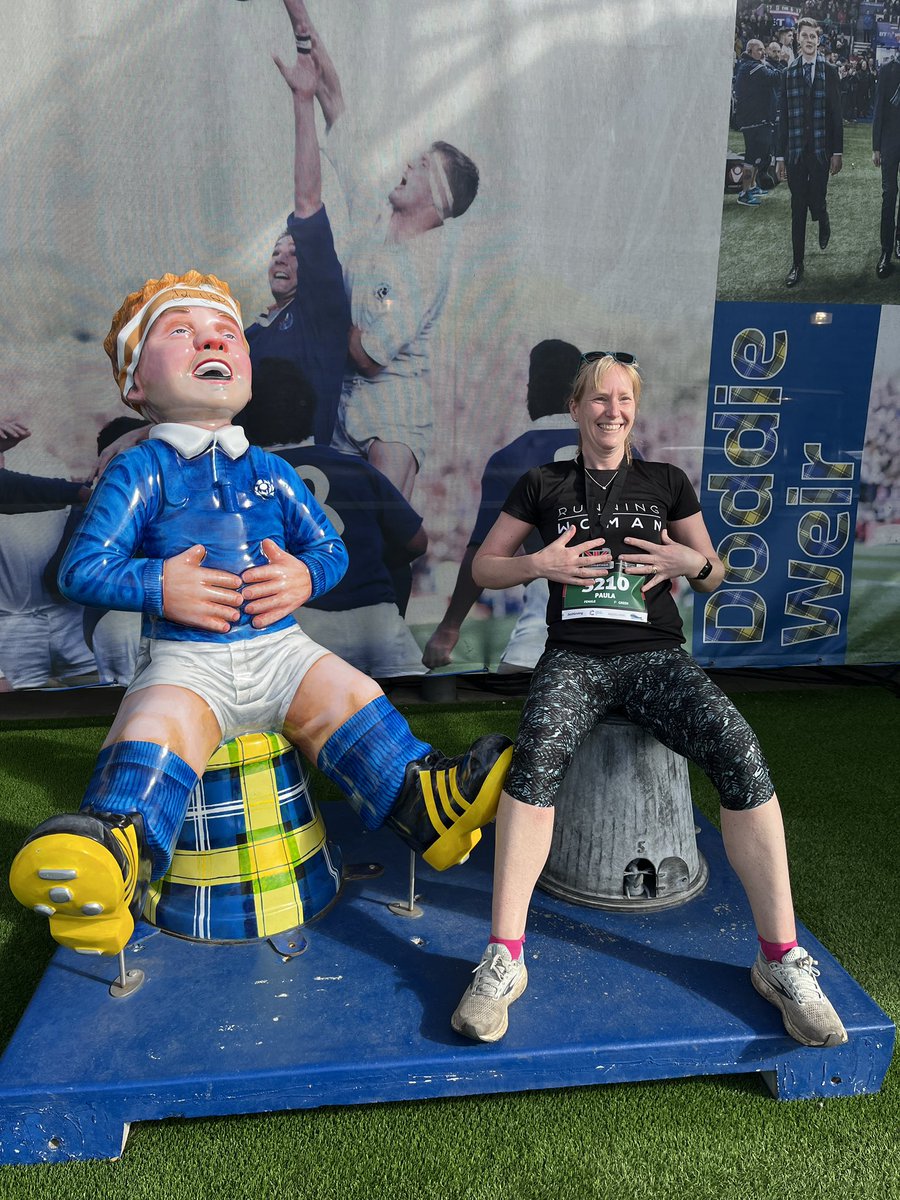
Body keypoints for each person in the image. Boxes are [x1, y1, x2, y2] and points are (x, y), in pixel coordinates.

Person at [8, 271, 512, 958]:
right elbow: (80, 569)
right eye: (179, 330)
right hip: (190, 660)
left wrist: (304, 575)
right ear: (135, 386)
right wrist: (160, 585)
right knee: (157, 727)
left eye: (224, 332)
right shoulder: (141, 471)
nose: (211, 337)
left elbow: (327, 547)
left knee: (349, 694)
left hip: (280, 650)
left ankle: (424, 804)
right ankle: (115, 853)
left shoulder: (270, 471)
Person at [450, 353, 847, 1050]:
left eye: (623, 398)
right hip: (575, 658)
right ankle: (505, 958)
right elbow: (485, 563)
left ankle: (780, 959)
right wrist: (537, 565)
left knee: (740, 750)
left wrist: (684, 562)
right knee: (535, 758)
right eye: (598, 399)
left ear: (635, 408)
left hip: (655, 658)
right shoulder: (543, 482)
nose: (612, 410)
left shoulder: (666, 481)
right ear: (575, 409)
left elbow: (715, 574)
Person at [282, 0, 480, 500]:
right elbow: (332, 96)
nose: (407, 164)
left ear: (438, 199)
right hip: (339, 400)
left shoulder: (426, 266)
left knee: (385, 533)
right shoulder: (374, 208)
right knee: (329, 537)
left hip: (391, 410)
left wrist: (324, 304)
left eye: (421, 165)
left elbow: (370, 358)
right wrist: (300, 18)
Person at [240, 356, 429, 678]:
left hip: (298, 626)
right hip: (377, 620)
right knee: (409, 717)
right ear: (311, 409)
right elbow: (416, 541)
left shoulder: (243, 477)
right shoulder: (355, 468)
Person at [423, 340, 583, 673]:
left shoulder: (511, 458)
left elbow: (481, 548)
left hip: (547, 608)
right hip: (622, 612)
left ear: (530, 390)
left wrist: (450, 626)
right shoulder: (621, 452)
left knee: (515, 696)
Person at [776, 17, 843, 288]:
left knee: (817, 199)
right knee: (797, 207)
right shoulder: (787, 73)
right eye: (804, 36)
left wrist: (836, 151)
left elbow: (836, 115)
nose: (808, 40)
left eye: (812, 36)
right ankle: (797, 264)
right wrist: (780, 157)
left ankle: (823, 215)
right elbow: (783, 120)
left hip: (819, 152)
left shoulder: (830, 71)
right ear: (797, 39)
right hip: (794, 153)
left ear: (819, 39)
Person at [733, 40, 781, 206]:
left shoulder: (750, 66)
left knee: (757, 156)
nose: (763, 53)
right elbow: (775, 78)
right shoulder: (752, 67)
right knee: (752, 157)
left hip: (757, 119)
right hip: (754, 119)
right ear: (750, 51)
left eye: (763, 49)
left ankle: (752, 186)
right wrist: (785, 65)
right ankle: (744, 192)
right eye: (759, 50)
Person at [872, 52, 900, 279]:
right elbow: (879, 107)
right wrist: (876, 147)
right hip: (890, 142)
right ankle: (886, 251)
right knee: (889, 195)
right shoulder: (888, 69)